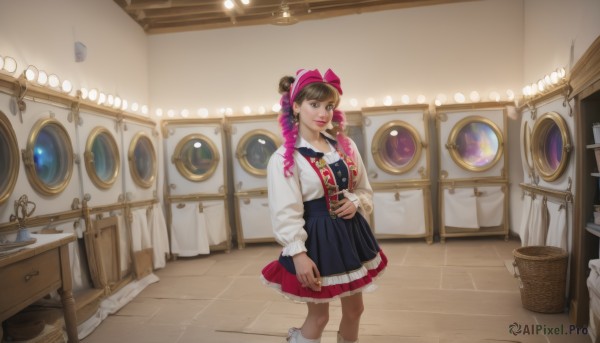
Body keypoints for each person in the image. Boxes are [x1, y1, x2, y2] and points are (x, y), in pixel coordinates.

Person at [260, 68, 388, 343]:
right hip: (316, 241)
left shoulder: (345, 145)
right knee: (319, 317)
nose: (323, 113)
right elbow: (285, 212)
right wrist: (298, 255)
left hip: (350, 235)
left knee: (355, 309)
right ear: (295, 106)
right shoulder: (285, 158)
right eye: (314, 105)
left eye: (329, 106)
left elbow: (364, 188)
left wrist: (355, 201)